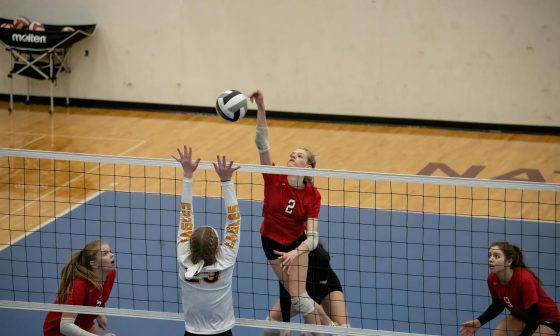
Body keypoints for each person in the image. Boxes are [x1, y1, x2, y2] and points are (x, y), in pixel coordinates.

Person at [249, 90, 333, 333]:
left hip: (297, 245)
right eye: (291, 153)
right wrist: (262, 106)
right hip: (272, 242)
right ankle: (334, 327)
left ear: (307, 167)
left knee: (301, 298)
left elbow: (313, 238)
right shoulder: (274, 177)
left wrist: (295, 252)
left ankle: (330, 328)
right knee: (300, 299)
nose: (292, 156)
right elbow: (262, 142)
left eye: (298, 156)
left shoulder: (312, 195)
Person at [173, 146, 241, 336]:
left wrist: (187, 174)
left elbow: (185, 215)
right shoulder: (225, 261)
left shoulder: (183, 258)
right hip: (222, 331)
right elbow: (234, 220)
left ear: (190, 244)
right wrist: (226, 181)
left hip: (192, 332)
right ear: (217, 246)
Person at [460, 241, 560, 336]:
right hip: (521, 316)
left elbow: (534, 318)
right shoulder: (492, 278)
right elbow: (498, 305)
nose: (490, 259)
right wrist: (479, 321)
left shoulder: (524, 279)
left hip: (547, 318)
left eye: (496, 256)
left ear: (508, 261)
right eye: (489, 255)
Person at [265, 242, 350, 336]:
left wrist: (310, 324)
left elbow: (314, 296)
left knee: (343, 331)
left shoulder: (321, 256)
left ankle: (332, 327)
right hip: (300, 288)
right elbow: (285, 291)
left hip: (326, 285)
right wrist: (286, 325)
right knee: (272, 320)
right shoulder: (288, 257)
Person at [43, 240, 117, 336]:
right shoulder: (81, 285)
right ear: (94, 264)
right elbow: (65, 326)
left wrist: (98, 313)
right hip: (59, 330)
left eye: (110, 251)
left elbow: (97, 297)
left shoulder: (110, 274)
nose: (112, 255)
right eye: (105, 254)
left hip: (83, 322)